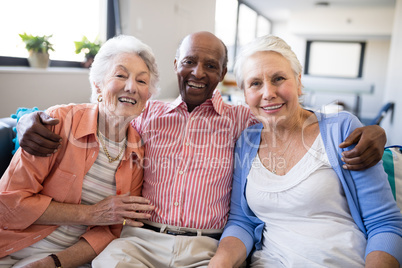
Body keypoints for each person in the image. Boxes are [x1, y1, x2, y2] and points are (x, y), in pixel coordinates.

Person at [17, 32, 387, 267]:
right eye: (190, 61)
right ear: (177, 65)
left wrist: (376, 133)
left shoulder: (246, 122)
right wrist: (25, 121)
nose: (198, 72)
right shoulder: (146, 114)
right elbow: (92, 113)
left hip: (206, 247)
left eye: (211, 65)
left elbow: (298, 120)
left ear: (224, 74)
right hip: (140, 239)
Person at [209, 35, 402, 268]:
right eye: (255, 83)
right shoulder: (246, 141)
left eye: (278, 78)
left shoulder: (340, 130)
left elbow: (384, 223)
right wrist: (219, 264)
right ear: (245, 93)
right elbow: (242, 221)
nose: (268, 92)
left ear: (298, 82)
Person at [0, 35, 158, 267]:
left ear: (148, 97)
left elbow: (110, 231)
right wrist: (91, 214)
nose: (131, 87)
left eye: (142, 81)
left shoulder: (137, 154)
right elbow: (9, 204)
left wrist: (52, 262)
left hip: (68, 260)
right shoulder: (59, 122)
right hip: (11, 245)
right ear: (98, 85)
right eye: (120, 75)